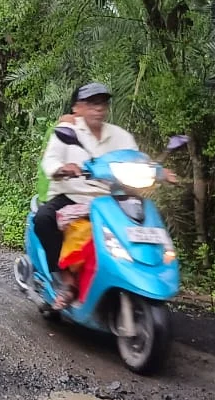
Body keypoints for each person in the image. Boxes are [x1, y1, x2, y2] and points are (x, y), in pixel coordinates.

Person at [35, 82, 138, 308]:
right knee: (43, 219)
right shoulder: (67, 130)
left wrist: (158, 171)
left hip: (110, 199)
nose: (98, 108)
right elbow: (50, 160)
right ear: (77, 108)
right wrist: (63, 168)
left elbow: (136, 158)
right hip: (73, 195)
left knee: (139, 221)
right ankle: (65, 279)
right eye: (91, 103)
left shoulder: (120, 136)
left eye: (102, 103)